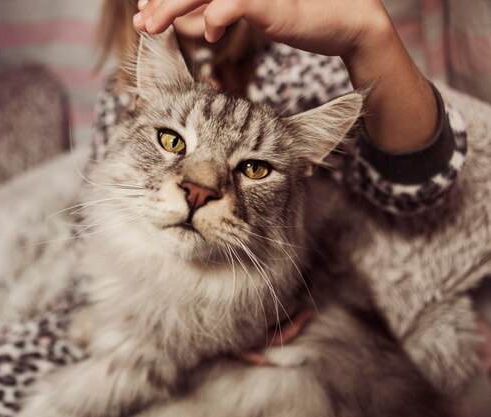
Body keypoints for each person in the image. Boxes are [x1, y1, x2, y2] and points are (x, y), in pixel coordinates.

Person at [91, 0, 469, 362]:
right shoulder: (120, 89)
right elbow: (97, 206)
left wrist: (368, 36)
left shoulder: (303, 65)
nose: (201, 188)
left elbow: (417, 187)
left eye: (252, 168)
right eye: (173, 142)